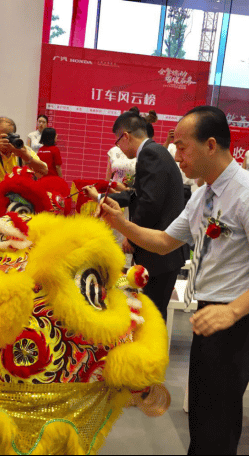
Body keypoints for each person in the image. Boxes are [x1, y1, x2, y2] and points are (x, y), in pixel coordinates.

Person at [95, 106, 249, 455]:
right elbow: (164, 241)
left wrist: (231, 312)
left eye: (182, 146)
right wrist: (121, 225)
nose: (176, 155)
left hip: (238, 318)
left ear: (211, 145)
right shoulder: (204, 194)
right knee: (204, 415)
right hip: (211, 313)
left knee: (218, 417)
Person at [84, 111, 186, 322]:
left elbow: (149, 203)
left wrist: (130, 233)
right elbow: (138, 194)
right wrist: (100, 197)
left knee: (152, 313)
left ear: (126, 136)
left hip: (159, 251)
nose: (118, 148)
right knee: (151, 309)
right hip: (161, 251)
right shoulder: (153, 151)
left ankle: (151, 353)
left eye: (117, 141)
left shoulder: (150, 154)